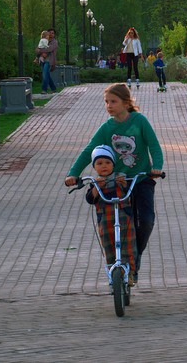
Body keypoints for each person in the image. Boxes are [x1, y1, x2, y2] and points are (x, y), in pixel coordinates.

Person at [64, 83, 163, 284]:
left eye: (113, 101)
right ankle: (122, 263)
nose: (109, 105)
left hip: (141, 180)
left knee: (146, 220)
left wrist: (157, 167)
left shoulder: (139, 121)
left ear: (126, 103)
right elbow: (88, 150)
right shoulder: (107, 127)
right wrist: (73, 173)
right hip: (117, 183)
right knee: (119, 224)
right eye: (106, 102)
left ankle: (135, 257)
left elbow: (154, 145)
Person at [84, 145, 136, 285]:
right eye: (99, 164)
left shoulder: (121, 177)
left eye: (107, 163)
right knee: (109, 247)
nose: (104, 166)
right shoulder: (95, 182)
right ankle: (113, 272)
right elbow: (90, 199)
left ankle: (130, 273)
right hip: (105, 221)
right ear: (94, 167)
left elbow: (130, 192)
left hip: (123, 218)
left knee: (127, 246)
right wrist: (96, 188)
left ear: (113, 164)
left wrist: (124, 184)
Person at [35, 28, 58, 94]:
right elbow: (38, 48)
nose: (51, 34)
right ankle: (53, 88)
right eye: (49, 33)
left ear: (54, 35)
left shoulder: (54, 42)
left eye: (52, 33)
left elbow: (49, 49)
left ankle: (44, 90)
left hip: (49, 61)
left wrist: (40, 50)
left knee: (45, 74)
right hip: (42, 60)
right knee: (46, 75)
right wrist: (38, 50)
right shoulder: (43, 40)